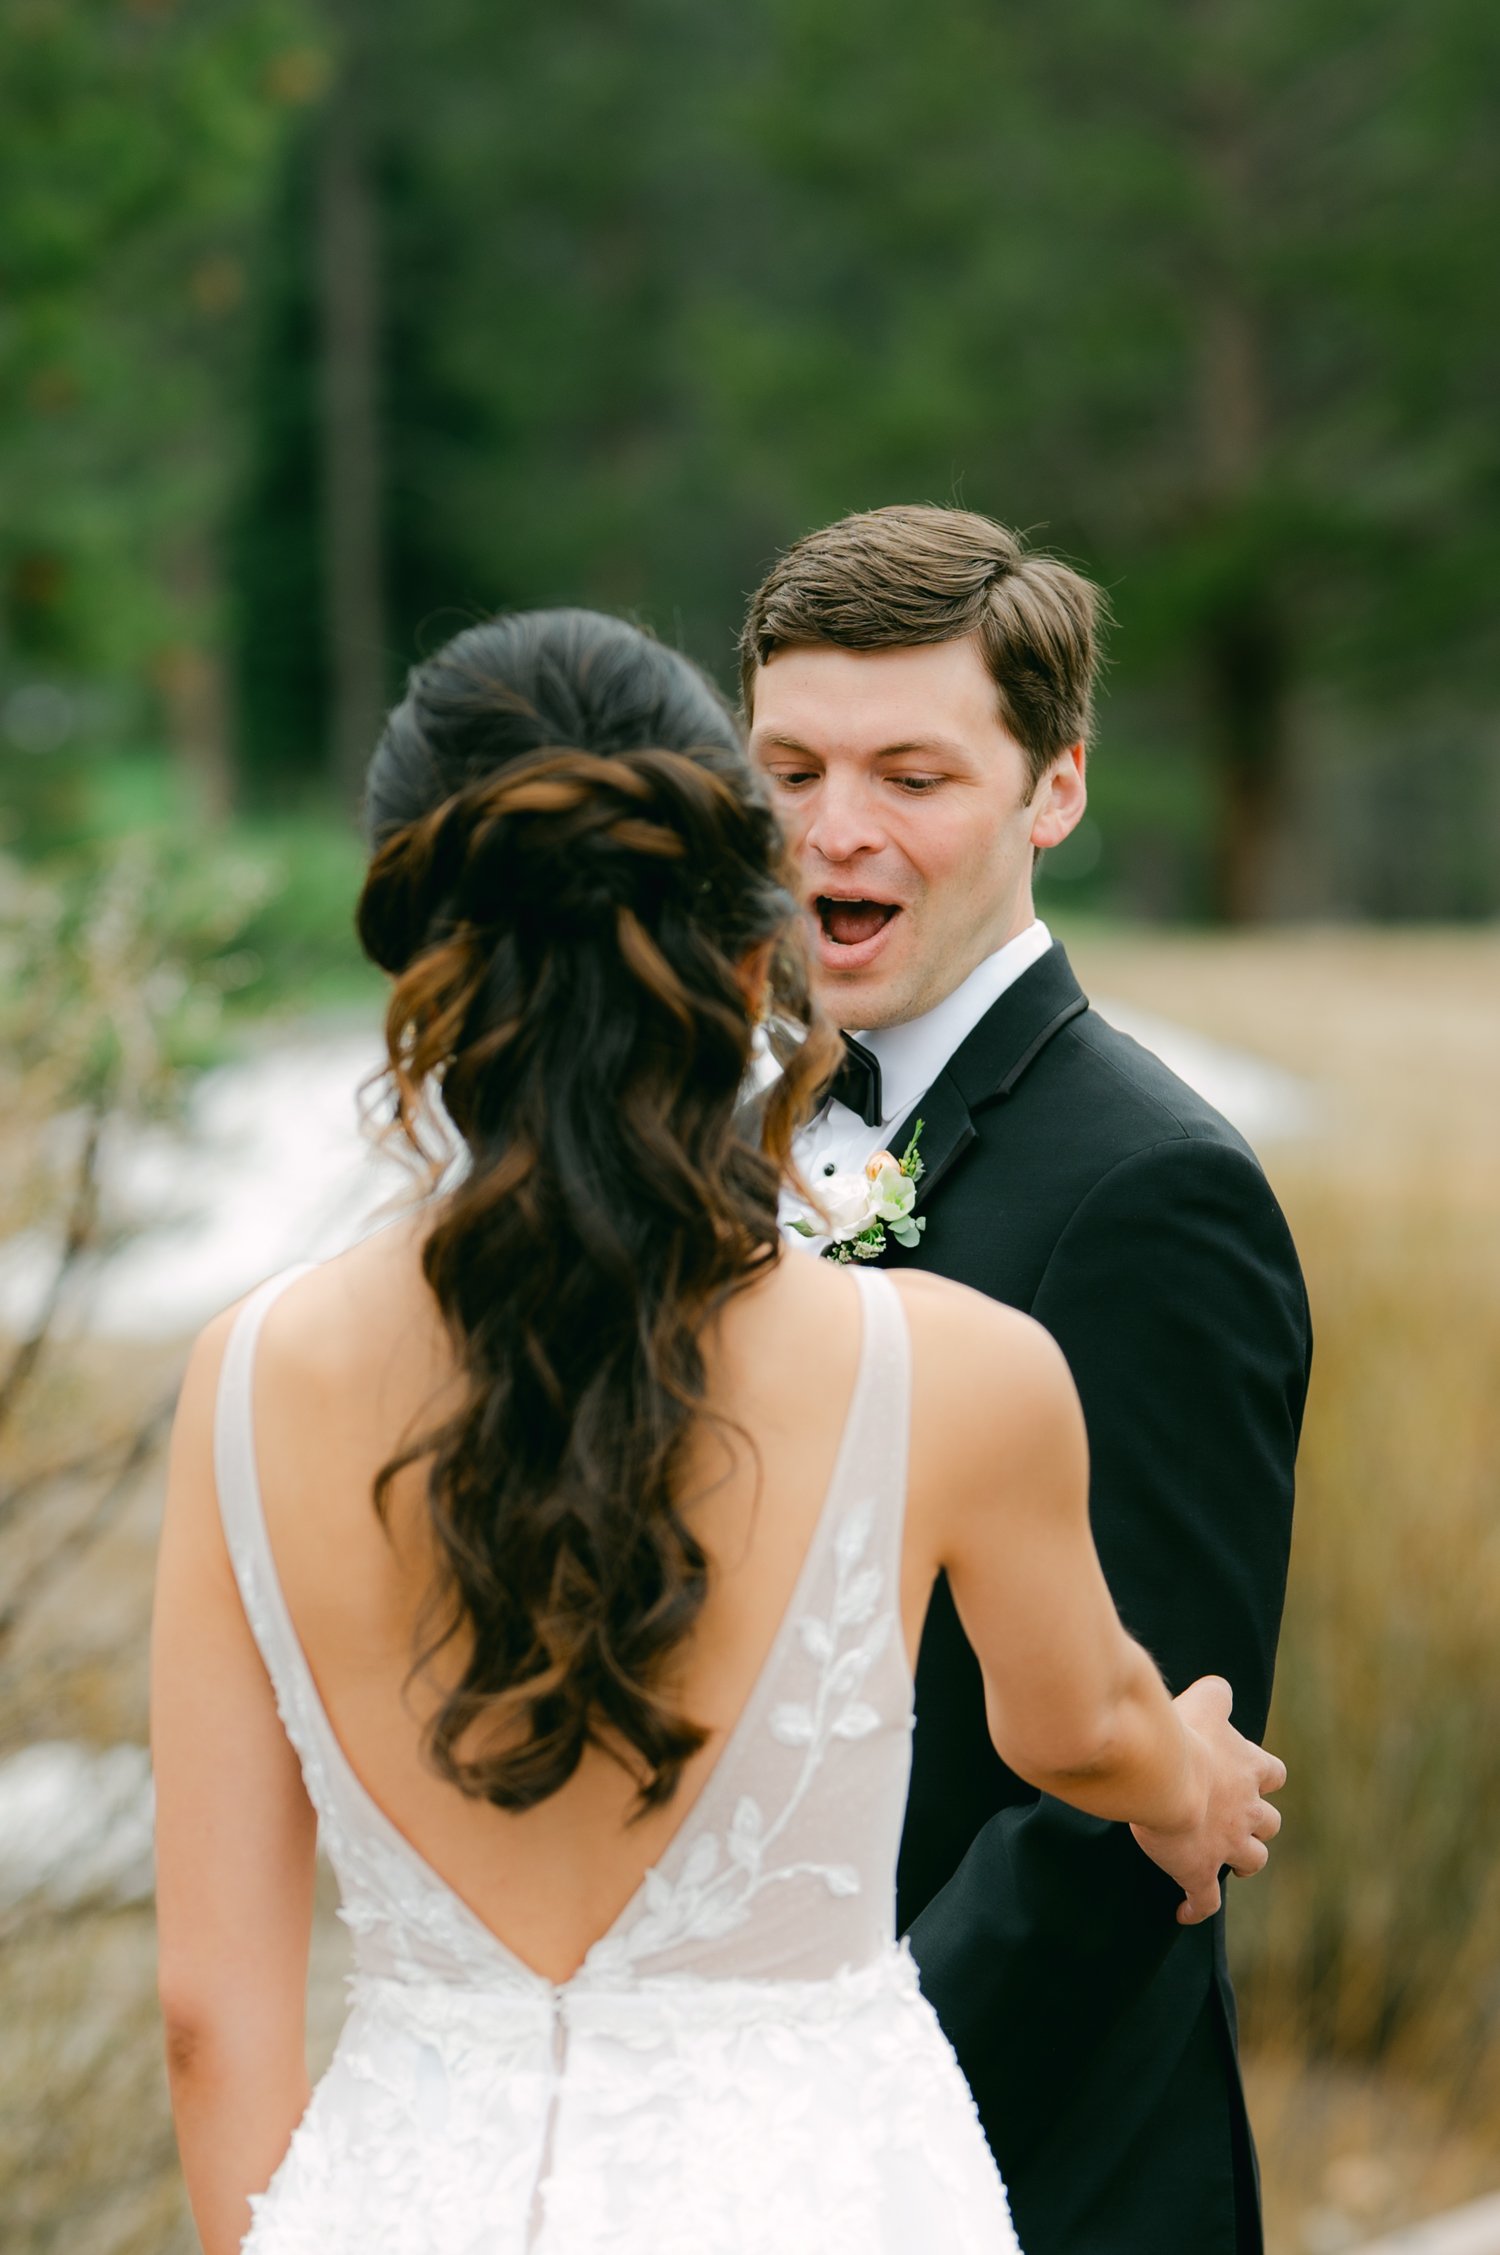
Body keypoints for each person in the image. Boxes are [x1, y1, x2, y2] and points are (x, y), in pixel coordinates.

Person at [152, 607, 1285, 2255]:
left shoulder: (242, 1383)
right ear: (750, 948)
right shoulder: (957, 1369)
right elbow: (1084, 1721)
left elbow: (209, 2016)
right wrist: (1181, 1778)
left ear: (421, 963)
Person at [742, 506, 1313, 2255]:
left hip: (1008, 2171)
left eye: (912, 775)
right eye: (791, 767)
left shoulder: (1153, 1194)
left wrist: (831, 2152)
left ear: (1052, 790)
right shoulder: (707, 1138)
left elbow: (1129, 1808)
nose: (835, 827)